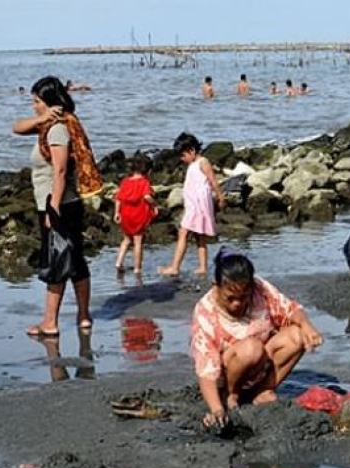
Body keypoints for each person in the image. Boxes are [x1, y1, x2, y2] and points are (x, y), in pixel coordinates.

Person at [190, 249, 322, 428]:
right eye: (230, 298)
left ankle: (263, 391)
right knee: (251, 348)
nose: (237, 304)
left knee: (297, 336)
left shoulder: (260, 289)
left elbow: (290, 309)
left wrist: (307, 326)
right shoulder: (205, 312)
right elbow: (206, 369)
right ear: (216, 287)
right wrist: (216, 409)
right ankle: (230, 394)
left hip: (261, 363)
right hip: (229, 369)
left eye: (243, 297)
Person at [12, 76, 93, 337]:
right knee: (76, 260)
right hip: (67, 203)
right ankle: (83, 317)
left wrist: (52, 208)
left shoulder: (57, 129)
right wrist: (41, 118)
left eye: (37, 102)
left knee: (55, 263)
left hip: (57, 203)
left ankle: (50, 322)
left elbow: (59, 171)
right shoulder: (50, 124)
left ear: (49, 102)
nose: (33, 106)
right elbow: (17, 128)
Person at [159, 133, 227, 276]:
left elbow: (213, 181)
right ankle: (202, 267)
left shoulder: (203, 162)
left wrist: (221, 197)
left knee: (183, 232)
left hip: (198, 205)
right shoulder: (193, 165)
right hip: (193, 204)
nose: (181, 159)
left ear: (192, 151)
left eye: (183, 155)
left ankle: (174, 267)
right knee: (199, 236)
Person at [114, 156, 158, 275]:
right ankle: (137, 268)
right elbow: (147, 197)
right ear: (148, 171)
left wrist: (117, 213)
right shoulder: (144, 182)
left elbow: (119, 198)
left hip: (125, 214)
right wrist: (155, 204)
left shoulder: (125, 181)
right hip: (138, 215)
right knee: (138, 241)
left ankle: (118, 262)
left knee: (126, 239)